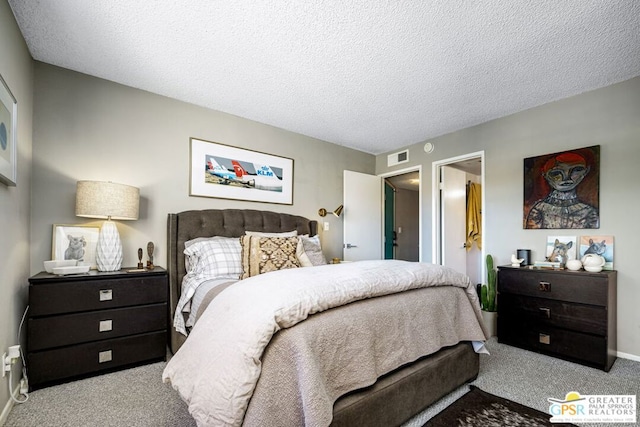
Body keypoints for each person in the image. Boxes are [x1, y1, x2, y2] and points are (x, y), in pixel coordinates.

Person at [526, 152, 599, 229]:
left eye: (576, 170)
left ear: (586, 171)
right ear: (545, 175)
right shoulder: (540, 209)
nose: (566, 178)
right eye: (556, 173)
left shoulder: (588, 211)